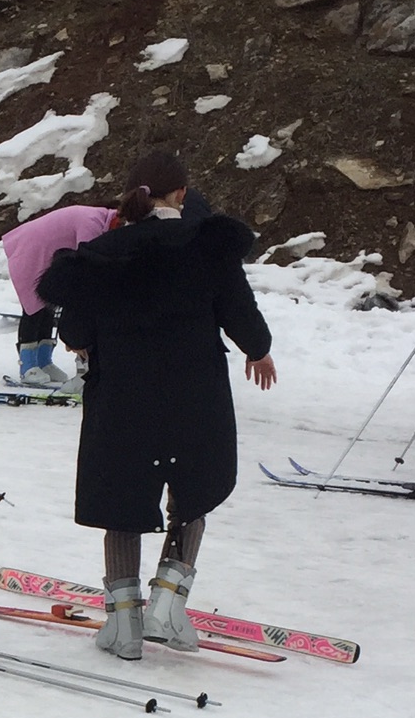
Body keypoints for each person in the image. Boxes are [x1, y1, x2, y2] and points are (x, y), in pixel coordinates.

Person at [39, 150, 276, 662]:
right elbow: (241, 311)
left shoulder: (102, 253)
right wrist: (258, 350)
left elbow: (75, 329)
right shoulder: (208, 247)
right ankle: (168, 603)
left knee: (122, 503)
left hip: (122, 399)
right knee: (193, 493)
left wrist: (87, 340)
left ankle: (124, 623)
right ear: (182, 195)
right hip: (195, 396)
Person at [1, 201, 115, 388]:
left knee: (49, 305)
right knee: (33, 307)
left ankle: (44, 360)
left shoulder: (101, 217)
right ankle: (28, 364)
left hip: (48, 253)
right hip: (33, 250)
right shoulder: (93, 222)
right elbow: (87, 259)